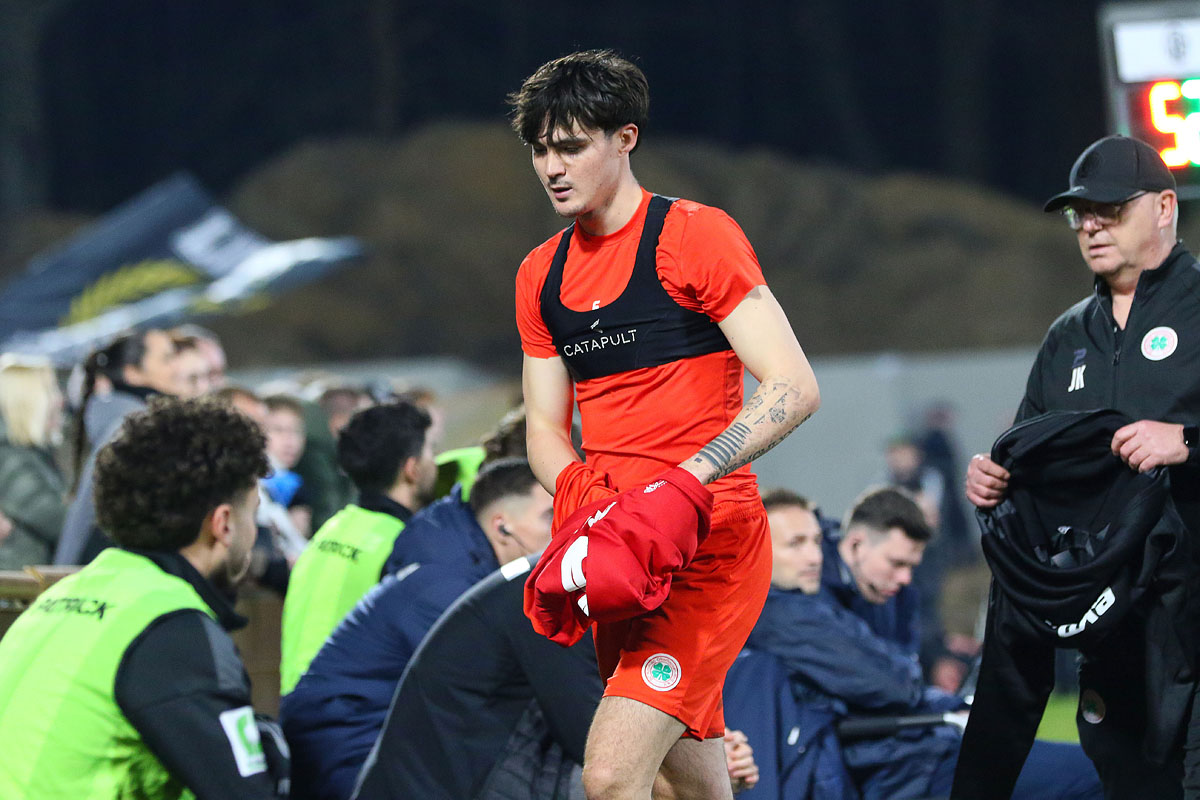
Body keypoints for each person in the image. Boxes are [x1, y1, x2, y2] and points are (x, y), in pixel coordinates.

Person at [509, 50, 820, 799]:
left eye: (570, 146)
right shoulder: (539, 275)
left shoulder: (695, 236)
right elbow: (543, 428)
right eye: (540, 150)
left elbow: (794, 386)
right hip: (619, 552)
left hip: (711, 543)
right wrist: (588, 497)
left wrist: (683, 482)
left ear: (626, 139)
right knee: (681, 788)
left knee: (611, 776)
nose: (552, 167)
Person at [957, 135, 1200, 798]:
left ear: (1164, 207)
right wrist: (994, 477)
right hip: (1115, 627)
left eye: (1109, 209)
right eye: (1079, 213)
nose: (1090, 225)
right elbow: (1028, 450)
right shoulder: (1068, 336)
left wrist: (1188, 440)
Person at [0, 397, 289, 799]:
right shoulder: (171, 624)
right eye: (252, 514)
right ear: (223, 523)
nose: (254, 533)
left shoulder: (65, 594)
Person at [739, 488, 1101, 799]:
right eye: (796, 544)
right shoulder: (781, 608)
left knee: (1093, 767)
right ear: (856, 544)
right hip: (899, 765)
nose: (813, 556)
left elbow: (902, 676)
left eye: (816, 541)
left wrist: (949, 702)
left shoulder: (880, 592)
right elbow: (892, 682)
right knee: (1094, 775)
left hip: (916, 747)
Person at [352, 551, 760, 800]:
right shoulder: (561, 596)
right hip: (446, 785)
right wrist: (704, 768)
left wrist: (703, 754)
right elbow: (606, 760)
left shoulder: (575, 578)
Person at [280, 458, 554, 800]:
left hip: (350, 732)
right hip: (345, 742)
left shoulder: (457, 564)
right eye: (549, 517)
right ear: (502, 527)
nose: (561, 528)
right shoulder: (450, 588)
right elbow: (499, 692)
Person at [279, 399, 436, 695]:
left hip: (297, 704)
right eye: (431, 451)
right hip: (350, 711)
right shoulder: (404, 544)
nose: (436, 463)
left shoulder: (331, 529)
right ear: (412, 469)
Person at [55, 328, 178, 566]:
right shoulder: (139, 430)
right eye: (166, 359)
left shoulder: (122, 422)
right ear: (132, 372)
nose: (177, 368)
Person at [0, 354, 66, 569]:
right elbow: (54, 519)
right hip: (17, 584)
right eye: (50, 390)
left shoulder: (27, 452)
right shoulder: (9, 456)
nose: (60, 400)